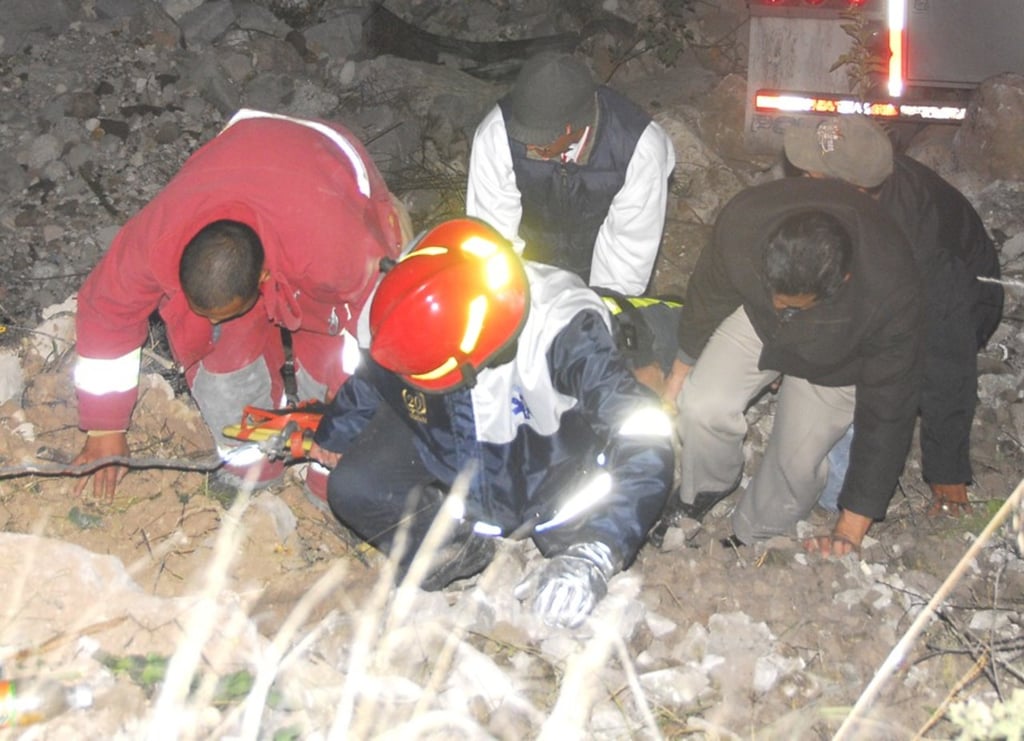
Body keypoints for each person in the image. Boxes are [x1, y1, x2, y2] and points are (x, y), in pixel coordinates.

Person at [308, 217, 675, 629]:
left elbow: (646, 438)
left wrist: (599, 548)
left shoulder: (565, 332)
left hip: (551, 469)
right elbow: (373, 379)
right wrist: (333, 433)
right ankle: (459, 551)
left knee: (571, 570)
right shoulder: (399, 306)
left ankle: (569, 539)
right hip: (450, 436)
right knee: (356, 488)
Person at [72, 109, 410, 502]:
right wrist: (105, 429)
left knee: (330, 369)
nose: (214, 322)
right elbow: (105, 312)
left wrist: (345, 412)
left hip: (325, 176)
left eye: (223, 314)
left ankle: (327, 487)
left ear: (265, 278)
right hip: (240, 167)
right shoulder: (155, 239)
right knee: (221, 361)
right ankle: (255, 470)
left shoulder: (337, 252)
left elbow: (379, 333)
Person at [661, 177, 924, 556]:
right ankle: (705, 488)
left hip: (841, 359)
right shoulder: (745, 220)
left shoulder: (891, 292)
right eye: (775, 292)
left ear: (841, 281)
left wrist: (851, 526)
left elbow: (890, 411)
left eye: (791, 302)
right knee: (702, 404)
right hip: (761, 321)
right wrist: (680, 371)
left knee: (795, 465)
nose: (780, 301)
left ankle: (753, 533)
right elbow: (709, 293)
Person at [783, 115, 1004, 520]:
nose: (801, 173)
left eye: (811, 170)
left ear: (854, 190)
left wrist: (947, 473)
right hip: (888, 272)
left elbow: (949, 357)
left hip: (967, 300)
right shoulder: (867, 167)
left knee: (883, 366)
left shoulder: (917, 251)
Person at [465, 51, 676, 297]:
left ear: (571, 129)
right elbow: (494, 239)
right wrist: (509, 298)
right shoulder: (495, 134)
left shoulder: (638, 149)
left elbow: (627, 251)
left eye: (541, 144)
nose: (529, 147)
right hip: (529, 271)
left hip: (597, 267)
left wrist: (603, 310)